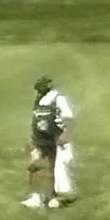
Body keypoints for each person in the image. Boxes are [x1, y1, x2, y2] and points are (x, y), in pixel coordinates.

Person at [24, 74, 77, 209]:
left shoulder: (59, 99)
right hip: (41, 140)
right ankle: (36, 197)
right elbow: (36, 120)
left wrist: (66, 135)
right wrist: (32, 137)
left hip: (58, 141)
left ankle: (58, 198)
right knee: (33, 166)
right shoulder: (39, 100)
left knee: (59, 170)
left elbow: (68, 118)